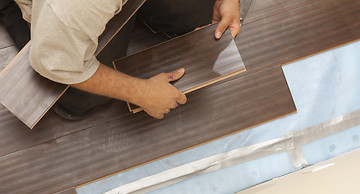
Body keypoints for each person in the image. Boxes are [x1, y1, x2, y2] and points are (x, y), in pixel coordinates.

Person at [14, 0, 241, 120]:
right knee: (81, 95)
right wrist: (141, 92)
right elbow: (56, 63)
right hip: (65, 12)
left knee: (199, 10)